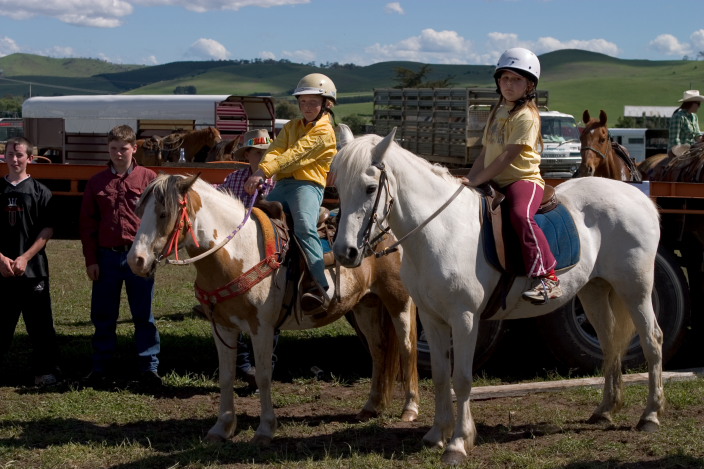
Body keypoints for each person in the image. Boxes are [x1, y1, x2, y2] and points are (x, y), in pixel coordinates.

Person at [462, 48, 561, 304]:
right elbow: (486, 152)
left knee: (520, 215)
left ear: (529, 85)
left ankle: (548, 277)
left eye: (516, 79)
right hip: (495, 179)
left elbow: (507, 157)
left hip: (522, 180)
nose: (509, 84)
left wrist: (478, 180)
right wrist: (468, 181)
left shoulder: (527, 116)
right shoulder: (497, 112)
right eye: (504, 78)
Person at [244, 73, 337, 313]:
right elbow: (275, 150)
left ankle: (319, 286)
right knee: (253, 220)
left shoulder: (325, 131)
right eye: (303, 102)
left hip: (308, 186)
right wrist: (267, 168)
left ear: (326, 103)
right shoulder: (292, 126)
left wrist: (262, 172)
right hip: (284, 185)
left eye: (313, 102)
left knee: (305, 226)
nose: (307, 107)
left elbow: (295, 155)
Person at [79, 124, 162, 388]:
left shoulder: (149, 178)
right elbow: (87, 224)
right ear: (108, 149)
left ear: (134, 148)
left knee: (144, 315)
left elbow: (161, 221)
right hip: (106, 259)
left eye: (123, 148)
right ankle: (101, 368)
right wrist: (91, 260)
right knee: (103, 316)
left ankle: (149, 369)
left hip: (138, 257)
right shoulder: (97, 182)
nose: (118, 153)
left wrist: (154, 256)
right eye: (113, 148)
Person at [217, 128, 279, 388]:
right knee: (232, 306)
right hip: (236, 256)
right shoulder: (233, 178)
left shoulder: (281, 181)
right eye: (256, 152)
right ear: (248, 154)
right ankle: (243, 365)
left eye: (266, 153)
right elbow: (215, 198)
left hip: (269, 253)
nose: (261, 157)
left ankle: (266, 364)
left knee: (268, 310)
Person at [0, 137, 62, 387]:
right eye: (10, 154)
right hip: (1, 270)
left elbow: (47, 231)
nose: (15, 159)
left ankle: (45, 371)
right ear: (3, 156)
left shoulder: (41, 192)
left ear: (30, 158)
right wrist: (1, 259)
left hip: (33, 270)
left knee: (40, 324)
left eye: (20, 155)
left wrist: (25, 258)